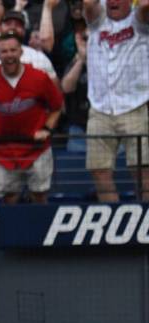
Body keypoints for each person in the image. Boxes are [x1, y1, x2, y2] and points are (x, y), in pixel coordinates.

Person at [0, 32, 64, 204]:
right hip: (3, 151)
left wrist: (47, 129)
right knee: (8, 201)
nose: (9, 55)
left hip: (37, 150)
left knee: (39, 197)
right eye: (4, 51)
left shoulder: (39, 77)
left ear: (21, 52)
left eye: (13, 50)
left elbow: (57, 106)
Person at [83, 0, 149, 202]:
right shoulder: (97, 21)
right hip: (100, 108)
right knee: (99, 169)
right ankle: (114, 220)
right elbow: (87, 3)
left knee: (143, 172)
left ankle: (146, 222)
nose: (114, 1)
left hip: (134, 106)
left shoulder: (139, 21)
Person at [0, 10, 59, 82]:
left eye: (18, 25)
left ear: (24, 31)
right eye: (8, 23)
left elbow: (56, 95)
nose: (13, 27)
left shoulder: (39, 58)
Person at [61, 27, 89, 153]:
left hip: (107, 124)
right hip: (79, 128)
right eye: (86, 39)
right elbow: (66, 88)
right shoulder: (74, 61)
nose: (88, 43)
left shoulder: (110, 60)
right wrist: (82, 59)